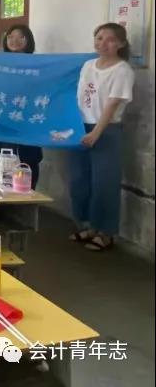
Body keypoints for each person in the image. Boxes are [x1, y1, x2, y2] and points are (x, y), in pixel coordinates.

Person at [68, 23, 134, 252]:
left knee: (104, 183)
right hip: (81, 128)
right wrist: (73, 128)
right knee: (80, 180)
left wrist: (96, 133)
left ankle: (106, 233)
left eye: (110, 39)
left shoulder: (123, 70)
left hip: (106, 130)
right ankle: (88, 226)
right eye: (99, 38)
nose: (103, 43)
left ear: (121, 44)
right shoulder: (88, 65)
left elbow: (111, 105)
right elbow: (79, 99)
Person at [0, 25, 43, 189]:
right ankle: (6, 197)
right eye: (10, 36)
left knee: (29, 160)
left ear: (28, 40)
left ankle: (28, 194)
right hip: (5, 121)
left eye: (20, 37)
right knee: (5, 158)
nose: (14, 40)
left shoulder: (39, 65)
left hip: (29, 121)